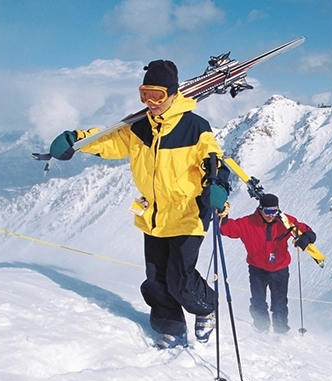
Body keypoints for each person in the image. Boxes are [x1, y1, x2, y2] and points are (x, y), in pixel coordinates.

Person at [48, 60, 231, 349]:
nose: (151, 103)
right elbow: (110, 141)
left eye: (157, 95)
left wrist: (217, 184)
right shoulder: (140, 127)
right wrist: (77, 141)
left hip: (187, 213)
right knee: (156, 279)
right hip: (154, 215)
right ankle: (171, 327)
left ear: (173, 94)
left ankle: (206, 307)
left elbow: (213, 159)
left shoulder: (194, 127)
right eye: (145, 95)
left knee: (180, 279)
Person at [220, 193, 316, 333]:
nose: (271, 215)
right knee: (258, 301)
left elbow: (306, 230)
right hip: (257, 269)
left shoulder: (285, 222)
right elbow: (227, 229)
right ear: (260, 209)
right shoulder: (247, 223)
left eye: (274, 211)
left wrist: (307, 237)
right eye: (267, 211)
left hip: (280, 269)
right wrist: (222, 216)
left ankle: (281, 331)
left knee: (279, 303)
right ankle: (261, 328)